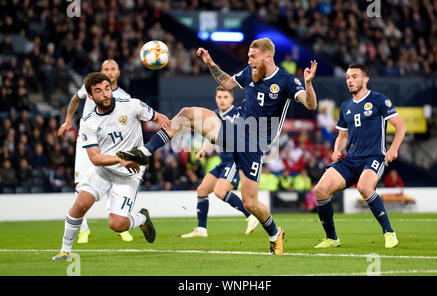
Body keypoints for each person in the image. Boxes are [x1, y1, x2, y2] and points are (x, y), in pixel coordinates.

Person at [117, 38, 318, 254]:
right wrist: (211, 63)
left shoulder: (286, 80)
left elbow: (310, 104)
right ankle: (145, 153)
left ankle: (275, 234)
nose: (249, 60)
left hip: (254, 143)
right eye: (249, 56)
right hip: (233, 129)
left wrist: (307, 83)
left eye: (253, 56)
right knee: (186, 114)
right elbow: (228, 83)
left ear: (268, 56)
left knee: (250, 203)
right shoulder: (250, 72)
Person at [52, 72, 171, 260]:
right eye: (98, 91)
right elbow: (95, 158)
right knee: (80, 204)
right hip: (104, 170)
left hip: (129, 173)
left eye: (107, 88)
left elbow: (159, 118)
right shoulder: (88, 122)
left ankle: (142, 218)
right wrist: (120, 158)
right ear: (90, 96)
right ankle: (65, 251)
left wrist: (164, 126)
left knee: (117, 224)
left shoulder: (132, 105)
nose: (105, 94)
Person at [312, 63, 406, 249]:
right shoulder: (346, 106)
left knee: (364, 187)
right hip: (351, 160)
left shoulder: (379, 99)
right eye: (348, 77)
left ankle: (389, 233)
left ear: (365, 79)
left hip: (374, 157)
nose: (350, 80)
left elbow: (400, 126)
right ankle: (332, 239)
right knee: (320, 190)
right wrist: (337, 150)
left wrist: (393, 148)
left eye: (355, 76)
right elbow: (342, 136)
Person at [58, 60, 134, 243]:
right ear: (101, 71)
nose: (109, 71)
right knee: (81, 183)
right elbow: (75, 99)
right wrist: (68, 121)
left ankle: (120, 225)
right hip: (87, 141)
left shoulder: (124, 97)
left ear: (118, 72)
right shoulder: (90, 88)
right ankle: (83, 229)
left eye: (112, 69)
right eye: (106, 69)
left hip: (110, 144)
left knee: (115, 181)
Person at [181, 86, 259, 238]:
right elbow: (211, 136)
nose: (222, 100)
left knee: (220, 191)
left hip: (235, 160)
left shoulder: (238, 114)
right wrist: (204, 149)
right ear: (216, 99)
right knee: (202, 190)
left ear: (231, 99)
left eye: (225, 97)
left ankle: (251, 216)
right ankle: (201, 229)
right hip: (224, 161)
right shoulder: (214, 115)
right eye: (219, 97)